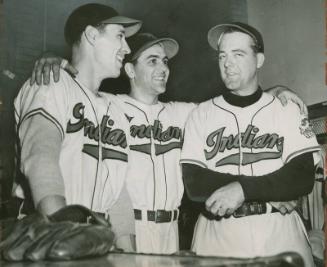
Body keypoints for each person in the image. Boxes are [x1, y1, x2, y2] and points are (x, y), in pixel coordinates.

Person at [29, 33, 307, 254]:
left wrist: (274, 91)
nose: (163, 68)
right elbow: (78, 91)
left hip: (170, 229)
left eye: (165, 61)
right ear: (130, 69)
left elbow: (235, 106)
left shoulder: (186, 113)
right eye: (152, 61)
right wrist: (51, 59)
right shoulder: (106, 106)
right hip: (125, 227)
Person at [180, 22, 320, 266]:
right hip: (219, 235)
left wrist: (242, 190)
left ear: (259, 60)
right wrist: (267, 190)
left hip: (279, 231)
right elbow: (195, 183)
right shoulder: (201, 113)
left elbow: (301, 175)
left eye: (238, 54)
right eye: (222, 55)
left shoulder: (286, 109)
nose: (227, 63)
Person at [14, 3, 141, 251]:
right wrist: (60, 231)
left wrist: (128, 252)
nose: (126, 48)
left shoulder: (113, 108)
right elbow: (40, 156)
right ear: (92, 35)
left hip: (95, 240)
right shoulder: (51, 83)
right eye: (120, 36)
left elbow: (117, 189)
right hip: (46, 233)